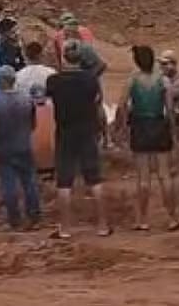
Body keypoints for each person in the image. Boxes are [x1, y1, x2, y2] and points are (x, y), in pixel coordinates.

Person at [46, 40, 110, 238]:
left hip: (65, 131)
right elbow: (97, 101)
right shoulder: (90, 79)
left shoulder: (53, 81)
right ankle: (102, 225)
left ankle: (65, 228)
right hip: (87, 130)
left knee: (64, 181)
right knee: (94, 178)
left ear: (63, 56)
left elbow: (48, 100)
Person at [121, 45, 179, 231]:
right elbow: (170, 108)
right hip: (159, 124)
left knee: (143, 177)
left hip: (139, 126)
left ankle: (142, 219)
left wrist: (122, 127)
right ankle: (172, 217)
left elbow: (122, 104)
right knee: (164, 175)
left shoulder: (132, 80)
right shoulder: (163, 80)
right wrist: (173, 130)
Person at [0, 65, 40, 230]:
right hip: (23, 145)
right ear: (14, 80)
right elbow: (33, 124)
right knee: (29, 181)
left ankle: (14, 219)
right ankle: (34, 215)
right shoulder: (27, 100)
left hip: (3, 147)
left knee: (8, 183)